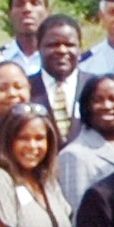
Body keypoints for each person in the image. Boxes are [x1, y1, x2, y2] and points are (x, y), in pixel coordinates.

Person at [60, 72, 114, 211]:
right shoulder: (74, 155)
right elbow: (79, 214)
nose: (107, 106)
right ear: (87, 106)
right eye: (98, 100)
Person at [31, 14, 88, 148]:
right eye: (53, 45)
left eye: (70, 45)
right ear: (38, 46)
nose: (62, 50)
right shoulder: (26, 88)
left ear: (80, 48)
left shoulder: (94, 87)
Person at [4, 0, 53, 74]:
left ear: (48, 13)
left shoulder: (57, 59)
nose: (27, 9)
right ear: (9, 13)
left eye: (35, 3)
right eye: (19, 3)